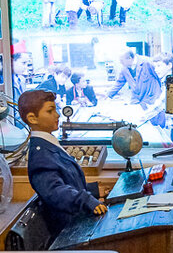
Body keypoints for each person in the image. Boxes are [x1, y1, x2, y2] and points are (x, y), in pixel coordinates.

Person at [18, 89, 107, 239]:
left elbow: (66, 180)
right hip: (69, 231)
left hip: (74, 222)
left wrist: (93, 190)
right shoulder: (41, 155)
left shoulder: (49, 145)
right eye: (50, 111)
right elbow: (55, 192)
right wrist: (85, 200)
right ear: (32, 118)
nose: (57, 115)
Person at [107, 48, 165, 126]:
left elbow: (160, 77)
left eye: (121, 60)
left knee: (156, 125)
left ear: (130, 58)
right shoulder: (124, 68)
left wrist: (160, 94)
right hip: (137, 101)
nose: (120, 62)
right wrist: (108, 95)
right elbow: (119, 82)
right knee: (138, 125)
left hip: (151, 100)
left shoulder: (147, 62)